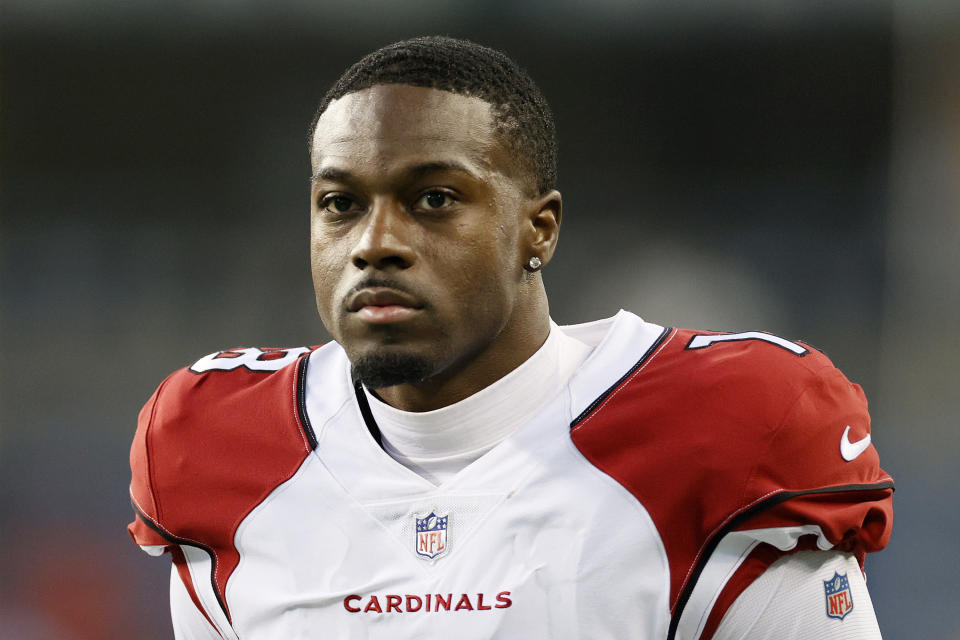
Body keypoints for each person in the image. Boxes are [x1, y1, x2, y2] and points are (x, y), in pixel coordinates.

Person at [127, 36, 893, 639]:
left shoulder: (729, 428)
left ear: (540, 227)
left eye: (432, 198)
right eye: (340, 203)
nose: (375, 242)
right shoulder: (214, 445)